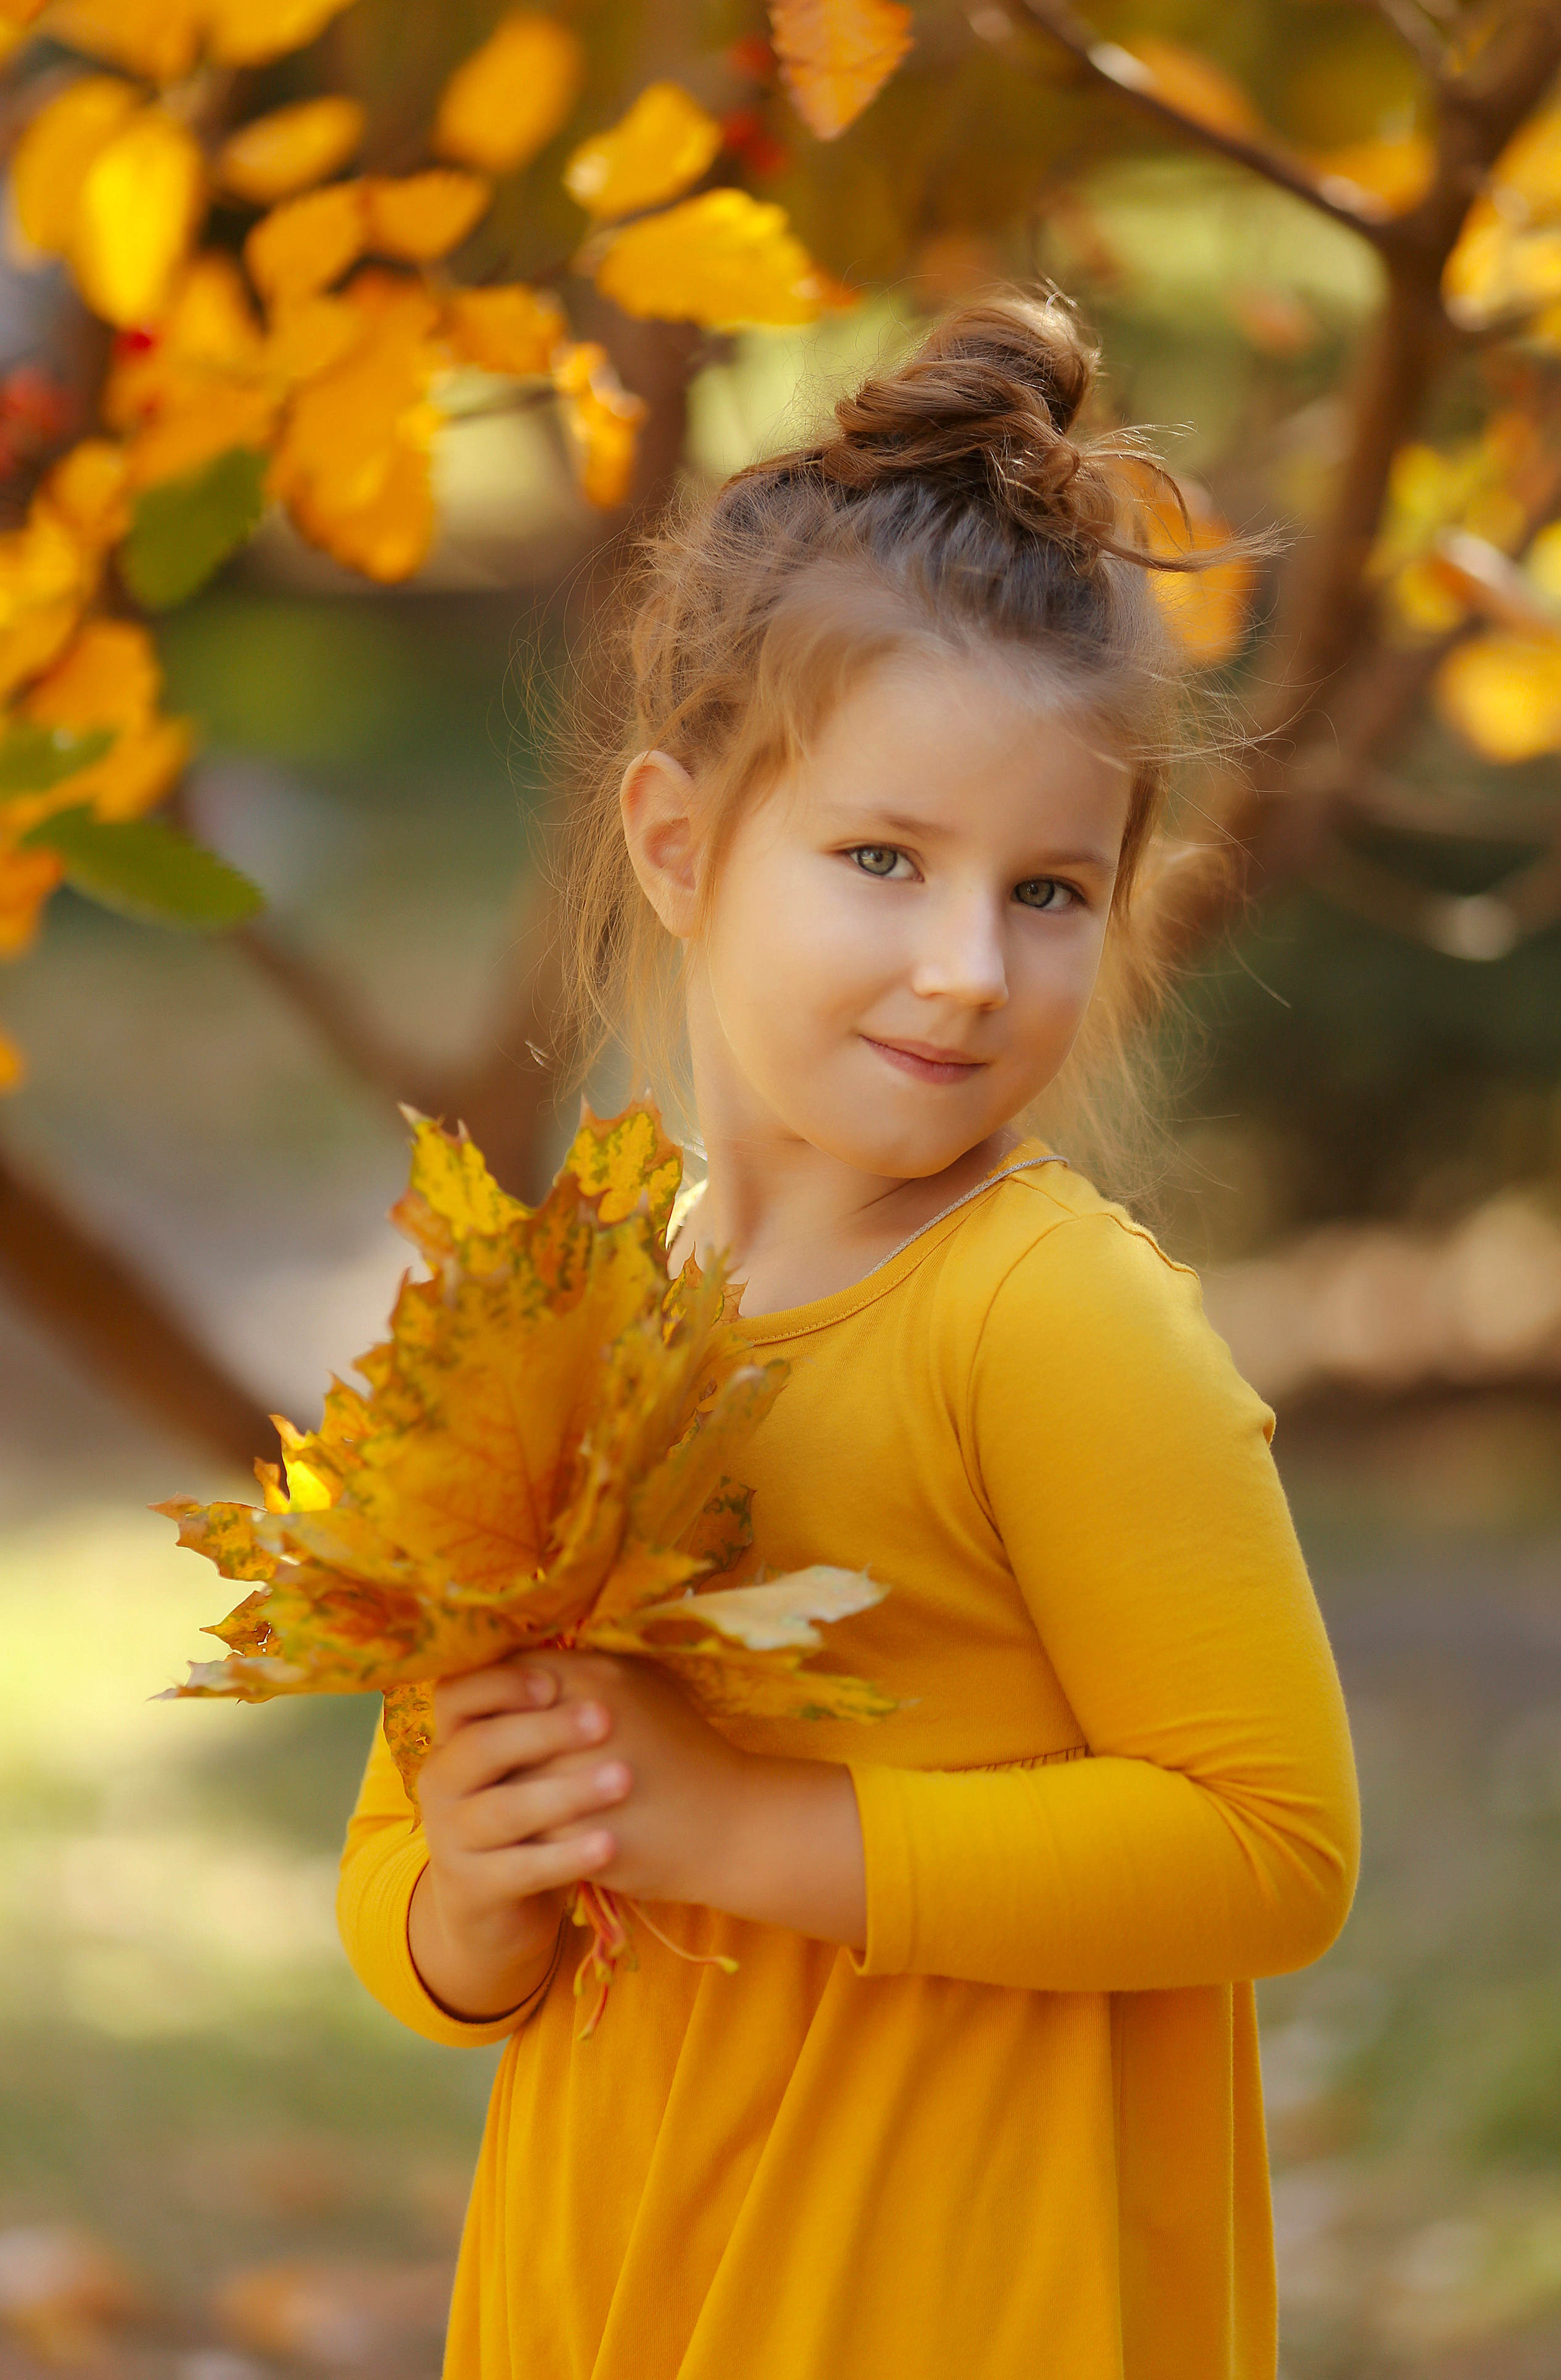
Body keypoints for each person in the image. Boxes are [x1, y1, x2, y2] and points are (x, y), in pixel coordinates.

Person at [337, 296, 1360, 2380]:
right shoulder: (573, 1310)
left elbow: (1271, 1852)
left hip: (956, 2303)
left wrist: (737, 1836)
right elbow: (404, 1870)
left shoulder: (1046, 1319)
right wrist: (469, 1897)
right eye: (882, 860)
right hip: (611, 2289)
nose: (966, 967)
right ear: (681, 846)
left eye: (1050, 892)